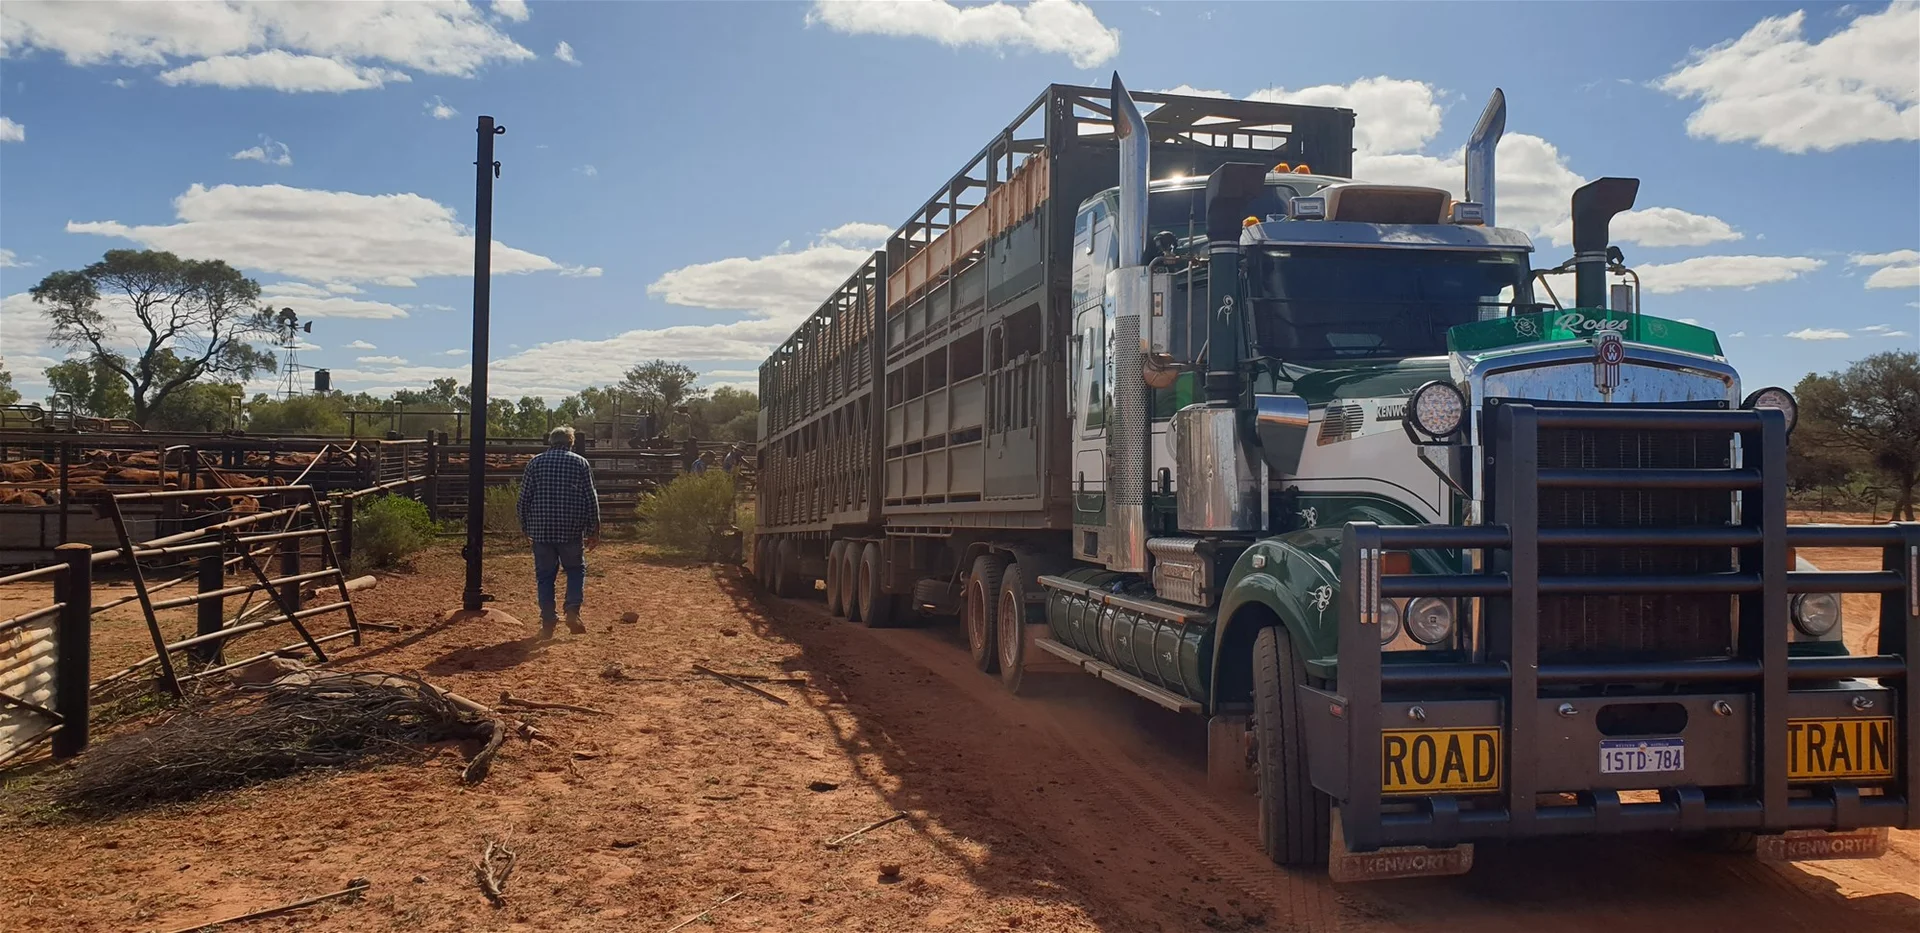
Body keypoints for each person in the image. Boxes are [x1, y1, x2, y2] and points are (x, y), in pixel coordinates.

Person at [517, 426, 600, 639]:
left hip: (541, 529)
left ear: (550, 442)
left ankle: (548, 620)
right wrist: (594, 528)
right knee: (575, 569)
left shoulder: (535, 463)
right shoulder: (580, 463)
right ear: (571, 442)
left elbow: (524, 498)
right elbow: (591, 498)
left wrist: (525, 526)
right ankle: (572, 610)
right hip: (571, 528)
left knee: (545, 576)